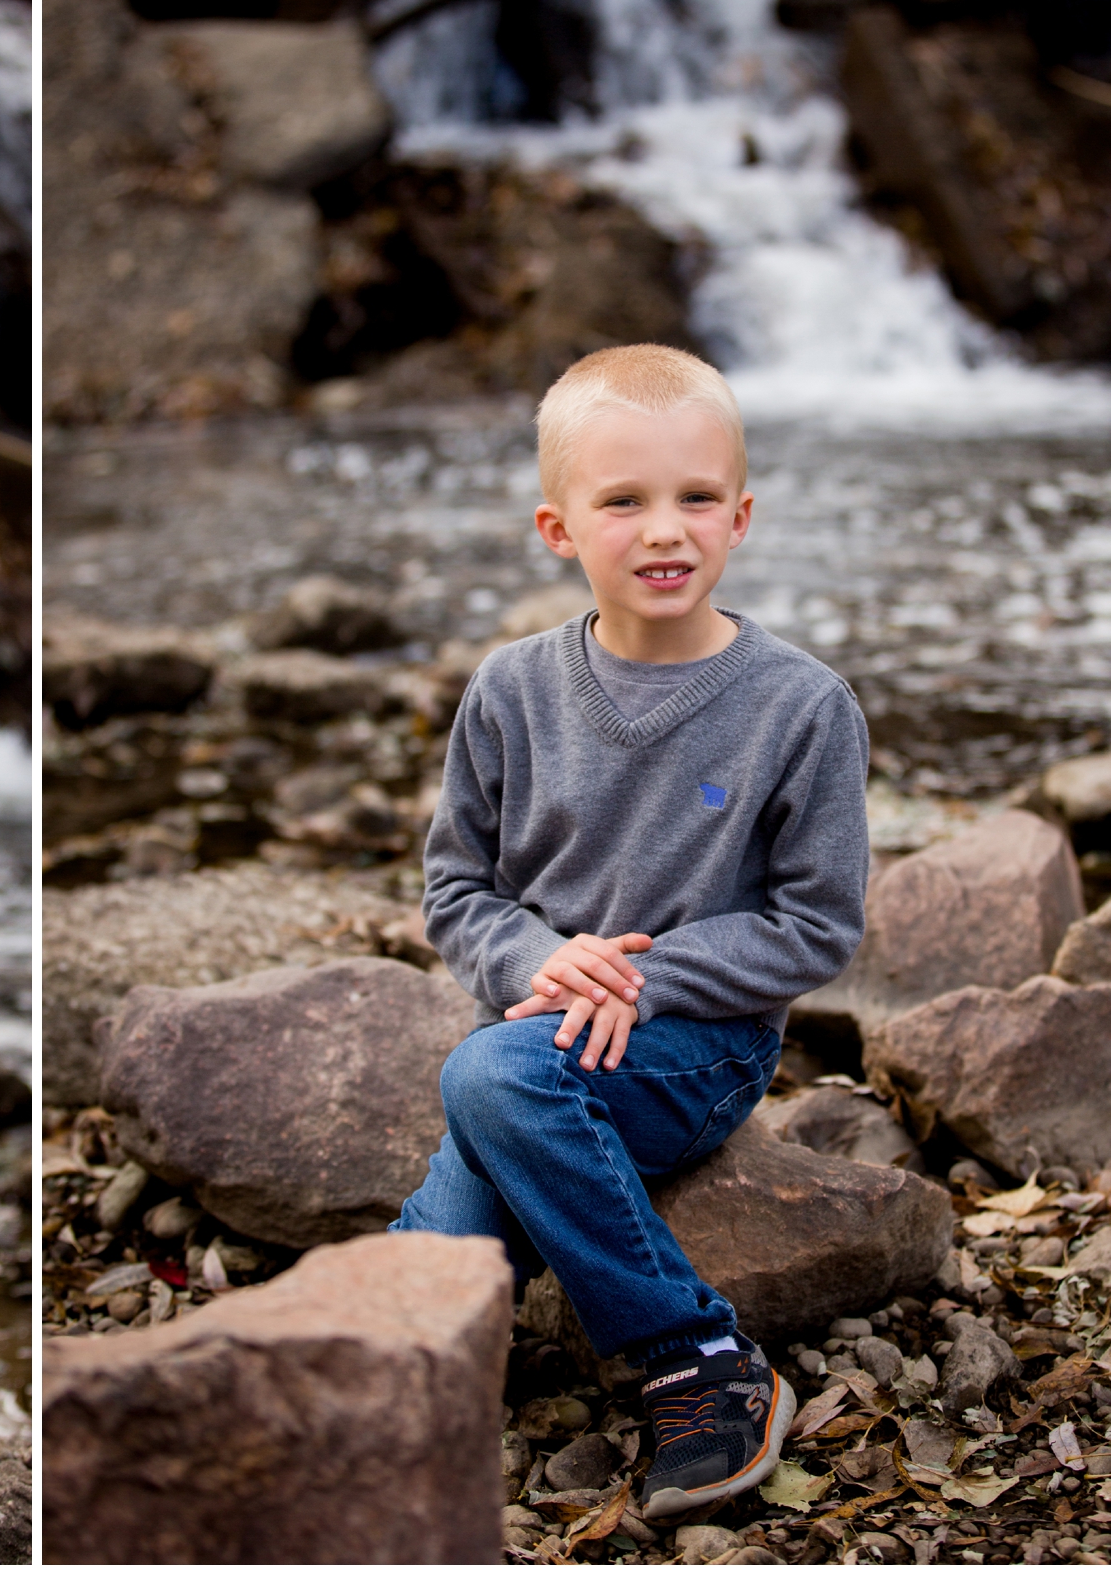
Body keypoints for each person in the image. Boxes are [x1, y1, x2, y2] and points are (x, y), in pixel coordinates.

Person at [392, 343, 870, 1520]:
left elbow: (817, 925)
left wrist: (646, 982)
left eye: (697, 497)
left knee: (488, 1076)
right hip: (536, 1029)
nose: (667, 530)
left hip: (697, 1047)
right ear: (559, 528)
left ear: (742, 515)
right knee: (420, 1285)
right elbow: (457, 890)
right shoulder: (509, 691)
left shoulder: (802, 706)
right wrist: (537, 958)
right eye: (626, 501)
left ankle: (699, 1358)